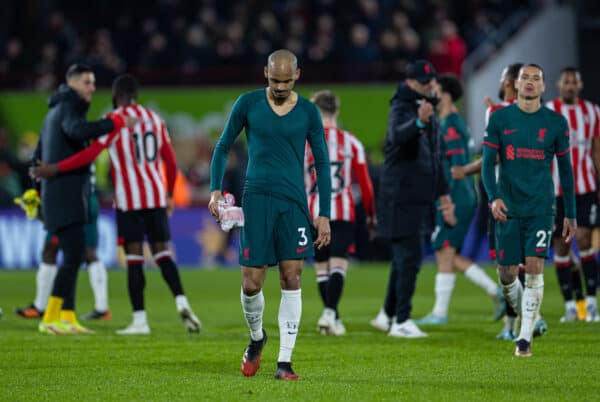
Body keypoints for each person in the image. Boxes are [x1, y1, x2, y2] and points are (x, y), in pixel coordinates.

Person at [32, 74, 202, 335]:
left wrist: (56, 168)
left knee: (134, 259)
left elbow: (89, 154)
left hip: (129, 200)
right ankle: (182, 301)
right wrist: (168, 194)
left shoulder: (115, 120)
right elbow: (169, 160)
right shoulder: (154, 119)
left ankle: (140, 321)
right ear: (136, 94)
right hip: (156, 197)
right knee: (162, 253)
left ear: (115, 95)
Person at [208, 49, 332, 380]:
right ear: (265, 72)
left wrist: (325, 213)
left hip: (293, 204)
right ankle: (257, 338)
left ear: (297, 76)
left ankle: (285, 362)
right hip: (256, 201)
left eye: (286, 81)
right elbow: (222, 147)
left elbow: (322, 163)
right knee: (251, 283)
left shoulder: (308, 112)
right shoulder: (247, 103)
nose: (279, 87)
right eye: (274, 80)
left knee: (292, 276)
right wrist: (215, 190)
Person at [482, 63, 577, 357]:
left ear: (543, 87)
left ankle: (524, 338)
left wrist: (570, 213)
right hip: (508, 207)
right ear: (517, 83)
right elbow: (487, 164)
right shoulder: (499, 119)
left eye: (536, 78)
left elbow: (566, 170)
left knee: (534, 269)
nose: (530, 82)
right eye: (525, 77)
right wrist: (494, 197)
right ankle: (530, 316)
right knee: (506, 274)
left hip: (540, 207)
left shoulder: (556, 123)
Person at [33, 63, 133, 335]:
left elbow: (38, 152)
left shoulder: (53, 111)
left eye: (93, 82)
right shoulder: (69, 107)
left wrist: (34, 189)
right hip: (66, 195)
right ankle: (50, 317)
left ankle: (67, 316)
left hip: (56, 194)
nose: (92, 87)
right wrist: (112, 122)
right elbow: (77, 131)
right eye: (87, 82)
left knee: (72, 255)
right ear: (72, 82)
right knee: (74, 255)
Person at [452, 62, 549, 341]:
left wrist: (465, 170)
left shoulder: (496, 113)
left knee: (507, 266)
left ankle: (527, 320)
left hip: (502, 199)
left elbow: (494, 156)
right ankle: (514, 325)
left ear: (509, 81)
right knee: (515, 266)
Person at [370, 59, 456, 338]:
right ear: (410, 83)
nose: (430, 87)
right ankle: (402, 320)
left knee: (403, 259)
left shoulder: (426, 107)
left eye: (431, 83)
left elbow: (434, 156)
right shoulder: (402, 106)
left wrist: (444, 197)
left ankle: (387, 314)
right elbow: (396, 136)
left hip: (418, 194)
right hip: (401, 195)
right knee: (411, 257)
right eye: (424, 83)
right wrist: (420, 121)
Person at [415, 74, 503, 326]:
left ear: (447, 95)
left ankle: (442, 313)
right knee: (446, 252)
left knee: (444, 251)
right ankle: (493, 291)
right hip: (456, 194)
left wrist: (447, 202)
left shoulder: (451, 124)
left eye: (436, 90)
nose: (432, 94)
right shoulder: (448, 121)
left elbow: (456, 167)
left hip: (456, 195)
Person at [304, 90, 376, 336]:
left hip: (313, 212)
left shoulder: (303, 143)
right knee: (338, 265)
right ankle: (331, 314)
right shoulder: (350, 142)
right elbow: (365, 183)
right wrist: (370, 214)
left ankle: (331, 317)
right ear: (336, 110)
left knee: (322, 268)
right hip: (342, 212)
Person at [15, 166, 110, 321]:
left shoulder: (65, 144)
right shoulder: (84, 144)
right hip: (88, 197)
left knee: (52, 250)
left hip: (70, 201)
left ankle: (41, 306)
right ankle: (102, 307)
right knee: (88, 252)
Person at [546, 67, 600, 323]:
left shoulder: (593, 112)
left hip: (586, 188)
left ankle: (590, 304)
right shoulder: (547, 111)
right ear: (559, 84)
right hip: (555, 190)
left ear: (579, 86)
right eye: (565, 81)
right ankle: (570, 305)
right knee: (561, 244)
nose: (569, 86)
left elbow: (597, 152)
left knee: (585, 239)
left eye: (573, 82)